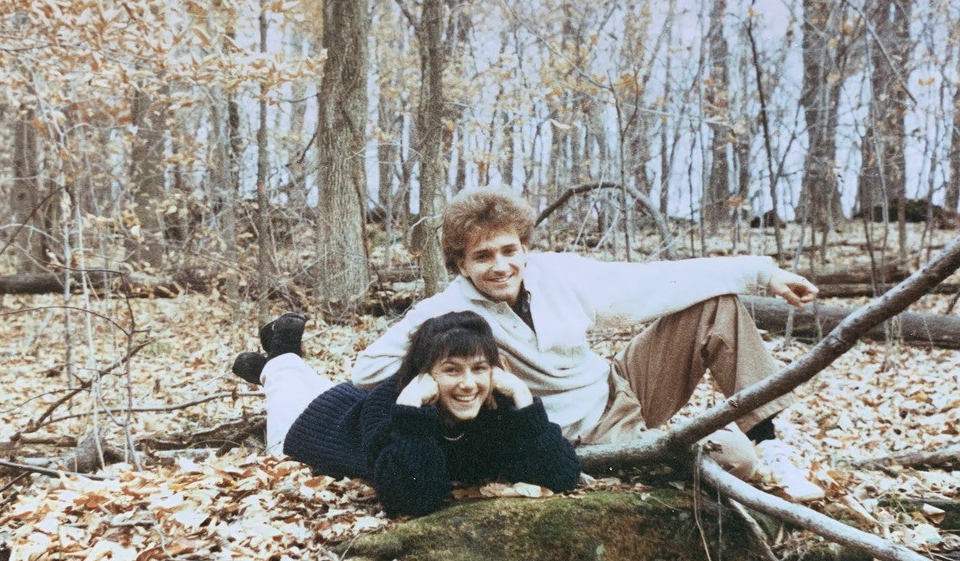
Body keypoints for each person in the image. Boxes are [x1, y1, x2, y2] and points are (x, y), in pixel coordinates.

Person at [351, 186, 825, 501]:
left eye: (510, 250)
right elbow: (367, 369)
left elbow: (660, 281)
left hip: (621, 386)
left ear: (524, 247)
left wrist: (764, 274)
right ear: (460, 264)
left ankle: (773, 446)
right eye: (483, 256)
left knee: (715, 307)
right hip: (580, 434)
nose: (501, 266)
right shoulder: (448, 313)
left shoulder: (560, 273)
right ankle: (688, 454)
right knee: (735, 461)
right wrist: (454, 381)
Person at [231, 310, 580, 517]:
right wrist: (412, 411)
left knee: (301, 380)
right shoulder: (395, 403)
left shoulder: (496, 400)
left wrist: (522, 397)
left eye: (479, 368)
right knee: (286, 387)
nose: (469, 384)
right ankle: (280, 357)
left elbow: (561, 476)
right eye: (452, 370)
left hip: (353, 403)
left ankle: (276, 363)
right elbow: (414, 499)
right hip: (312, 426)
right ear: (424, 374)